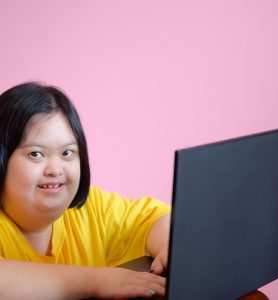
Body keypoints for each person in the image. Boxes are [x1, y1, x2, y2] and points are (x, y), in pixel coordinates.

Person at [0, 82, 171, 299]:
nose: (55, 170)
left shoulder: (92, 209)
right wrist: (98, 280)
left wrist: (170, 248)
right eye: (36, 154)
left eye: (67, 153)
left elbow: (156, 218)